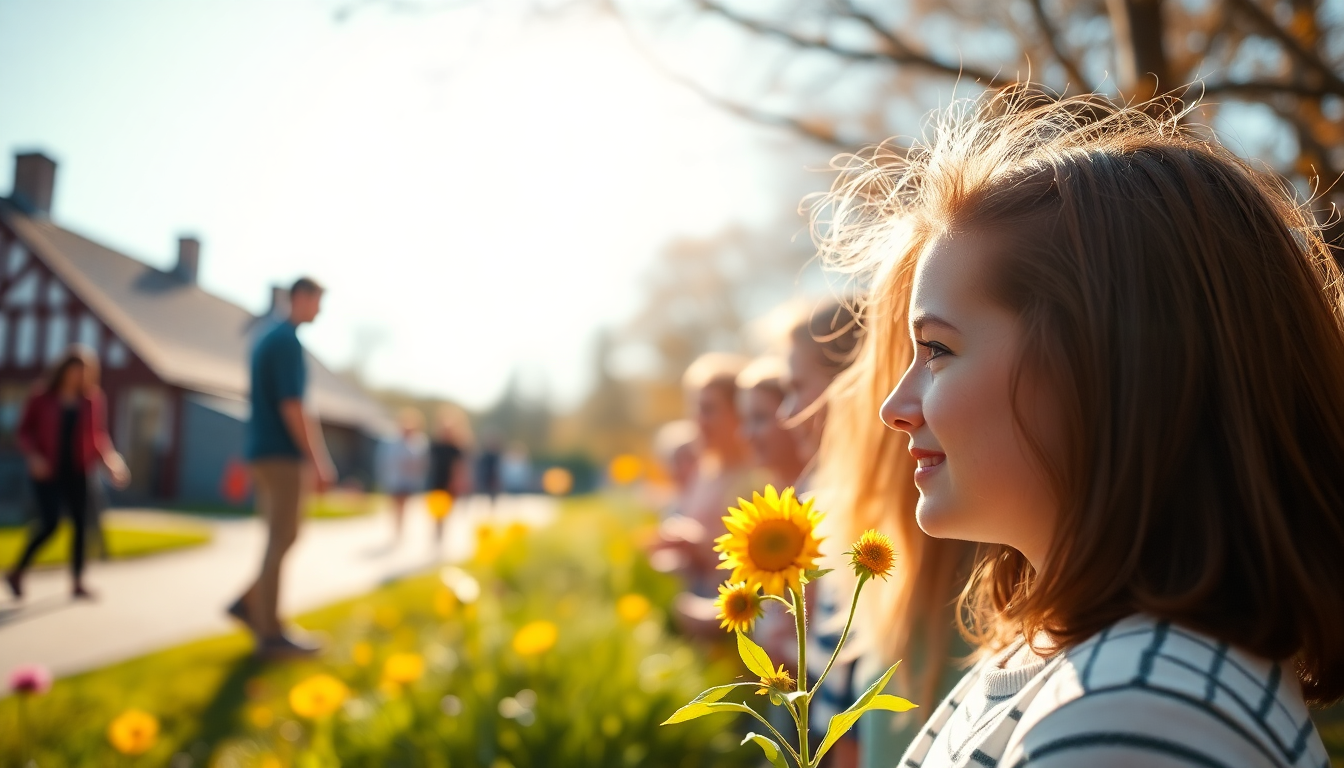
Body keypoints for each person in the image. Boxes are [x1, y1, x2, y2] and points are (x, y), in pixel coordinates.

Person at [816, 87, 1342, 766]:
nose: (894, 406)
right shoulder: (1066, 663)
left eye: (939, 349)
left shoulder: (1136, 714)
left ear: (1107, 368)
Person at [229, 276, 336, 659]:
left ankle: (248, 603)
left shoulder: (266, 338)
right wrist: (317, 460)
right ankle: (270, 632)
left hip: (263, 451)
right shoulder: (287, 342)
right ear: (301, 298)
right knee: (282, 537)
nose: (320, 310)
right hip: (282, 455)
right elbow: (294, 408)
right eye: (318, 302)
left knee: (282, 536)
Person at [6, 346, 130, 600]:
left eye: (84, 372)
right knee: (49, 524)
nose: (79, 377)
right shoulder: (42, 396)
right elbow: (24, 432)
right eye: (75, 370)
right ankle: (17, 571)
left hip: (78, 470)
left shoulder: (92, 400)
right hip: (47, 471)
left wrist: (111, 462)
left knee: (80, 525)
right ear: (64, 370)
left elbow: (97, 436)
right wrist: (34, 456)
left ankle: (77, 581)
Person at [736, 356, 804, 488]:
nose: (746, 435)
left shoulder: (825, 492)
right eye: (744, 420)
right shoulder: (753, 494)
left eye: (760, 418)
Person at [378, 408, 429, 544]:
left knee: (403, 504)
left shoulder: (419, 442)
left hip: (408, 480)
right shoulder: (392, 441)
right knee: (395, 504)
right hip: (394, 478)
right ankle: (396, 528)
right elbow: (386, 460)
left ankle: (400, 529)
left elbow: (422, 463)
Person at [427, 405, 472, 545]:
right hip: (436, 481)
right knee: (436, 510)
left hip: (450, 482)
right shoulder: (434, 445)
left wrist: (458, 482)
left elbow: (459, 467)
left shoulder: (456, 448)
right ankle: (436, 533)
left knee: (446, 510)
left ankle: (442, 533)